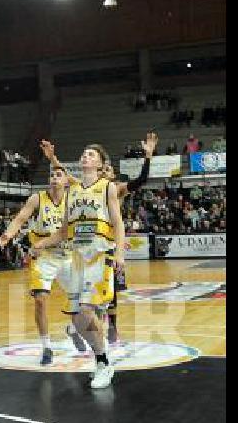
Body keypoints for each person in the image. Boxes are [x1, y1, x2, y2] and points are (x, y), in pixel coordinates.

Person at [41, 132, 158, 344]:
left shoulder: (115, 189)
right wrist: (52, 159)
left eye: (107, 170)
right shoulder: (82, 188)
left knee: (110, 293)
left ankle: (108, 328)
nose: (105, 172)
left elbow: (141, 180)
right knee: (92, 299)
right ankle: (88, 330)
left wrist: (147, 156)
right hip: (86, 247)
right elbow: (67, 176)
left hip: (108, 244)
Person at [32, 144, 126, 389]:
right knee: (77, 320)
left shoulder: (107, 188)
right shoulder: (72, 191)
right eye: (83, 153)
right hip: (75, 258)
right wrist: (41, 244)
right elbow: (64, 231)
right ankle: (101, 359)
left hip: (99, 255)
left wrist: (120, 254)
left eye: (91, 154)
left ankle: (104, 362)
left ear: (100, 163)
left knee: (86, 310)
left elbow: (117, 222)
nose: (85, 156)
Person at [0, 167, 87, 365]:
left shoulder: (74, 200)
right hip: (43, 256)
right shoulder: (37, 198)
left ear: (66, 181)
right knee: (40, 300)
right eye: (52, 175)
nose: (54, 178)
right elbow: (20, 219)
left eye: (59, 175)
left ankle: (73, 330)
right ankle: (46, 346)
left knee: (81, 303)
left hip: (67, 255)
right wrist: (7, 235)